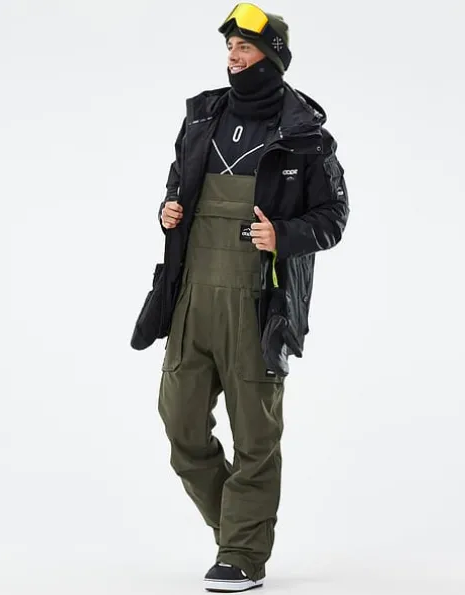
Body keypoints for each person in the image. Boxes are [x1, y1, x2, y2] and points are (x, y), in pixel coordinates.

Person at [157, 3, 349, 592]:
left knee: (256, 440)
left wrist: (283, 235)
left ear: (272, 56)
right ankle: (238, 531)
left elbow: (334, 217)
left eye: (244, 47)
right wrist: (168, 211)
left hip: (257, 303)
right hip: (192, 299)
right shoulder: (201, 118)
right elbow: (176, 184)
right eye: (230, 47)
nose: (234, 57)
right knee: (181, 427)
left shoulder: (305, 135)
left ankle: (242, 554)